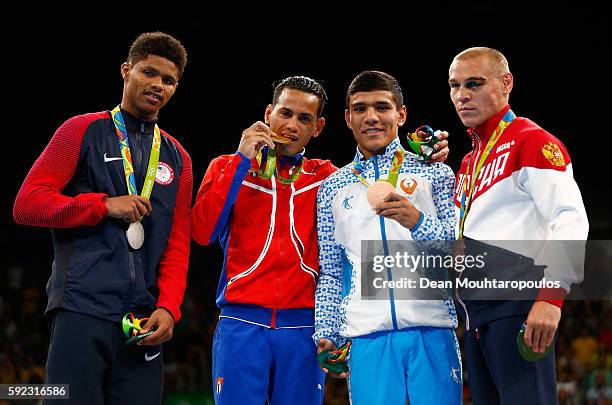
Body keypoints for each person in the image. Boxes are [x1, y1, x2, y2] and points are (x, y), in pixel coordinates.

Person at [191, 75, 452, 404]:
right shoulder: (227, 167)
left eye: (304, 118)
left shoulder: (327, 178)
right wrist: (242, 161)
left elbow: (374, 171)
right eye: (285, 113)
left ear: (318, 127)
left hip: (303, 330)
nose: (291, 125)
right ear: (269, 112)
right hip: (240, 323)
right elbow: (202, 232)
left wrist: (428, 155)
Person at [13, 32, 192, 404]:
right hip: (81, 309)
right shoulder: (81, 130)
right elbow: (27, 204)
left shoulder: (179, 158)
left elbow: (176, 243)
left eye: (168, 80)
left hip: (143, 321)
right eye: (149, 72)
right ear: (126, 71)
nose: (158, 85)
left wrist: (169, 307)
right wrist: (101, 205)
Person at [448, 47, 589, 404]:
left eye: (474, 83)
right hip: (476, 314)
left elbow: (570, 220)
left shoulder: (531, 140)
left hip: (518, 306)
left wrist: (551, 297)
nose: (462, 95)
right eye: (455, 85)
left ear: (505, 83)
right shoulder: (468, 161)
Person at [314, 70, 462, 405]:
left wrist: (419, 222)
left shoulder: (435, 171)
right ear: (348, 118)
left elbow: (458, 249)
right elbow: (332, 270)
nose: (372, 117)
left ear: (401, 114)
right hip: (367, 339)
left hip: (432, 330)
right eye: (360, 108)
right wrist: (326, 332)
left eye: (382, 107)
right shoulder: (333, 188)